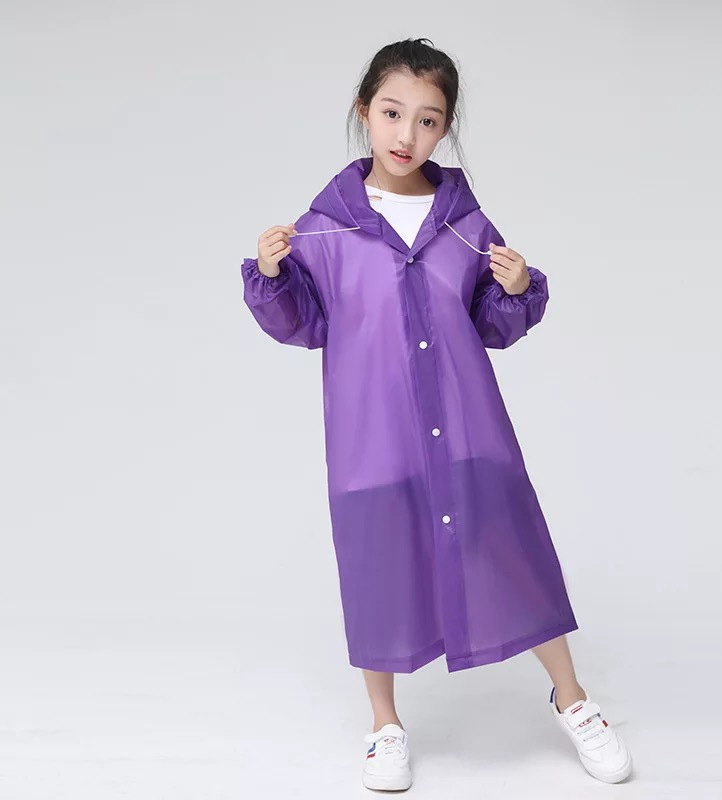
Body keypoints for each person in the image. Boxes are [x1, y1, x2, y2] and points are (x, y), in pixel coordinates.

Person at [240, 37, 633, 791]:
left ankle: (573, 698)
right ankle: (384, 725)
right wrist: (270, 274)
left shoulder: (463, 223)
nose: (406, 134)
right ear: (364, 112)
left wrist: (513, 288)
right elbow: (304, 323)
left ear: (444, 129)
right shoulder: (324, 228)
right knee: (377, 565)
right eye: (392, 113)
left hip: (467, 428)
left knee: (512, 548)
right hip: (374, 439)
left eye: (427, 120)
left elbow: (489, 322)